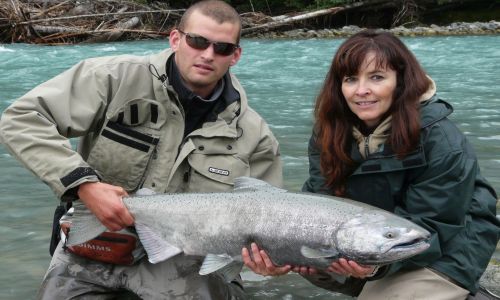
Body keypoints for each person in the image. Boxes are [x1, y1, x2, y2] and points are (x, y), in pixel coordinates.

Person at [0, 1, 282, 299]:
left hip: (190, 263)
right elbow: (22, 119)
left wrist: (267, 264)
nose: (208, 55)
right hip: (100, 244)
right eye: (197, 41)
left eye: (222, 48)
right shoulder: (113, 78)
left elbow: (271, 219)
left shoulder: (256, 136)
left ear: (235, 56)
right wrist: (83, 185)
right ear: (175, 39)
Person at [244, 30, 499, 299]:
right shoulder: (328, 133)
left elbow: (434, 228)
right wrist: (280, 254)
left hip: (448, 245)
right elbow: (319, 203)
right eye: (351, 79)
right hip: (375, 241)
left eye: (377, 77)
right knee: (309, 263)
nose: (362, 90)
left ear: (401, 82)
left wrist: (374, 268)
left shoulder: (442, 140)